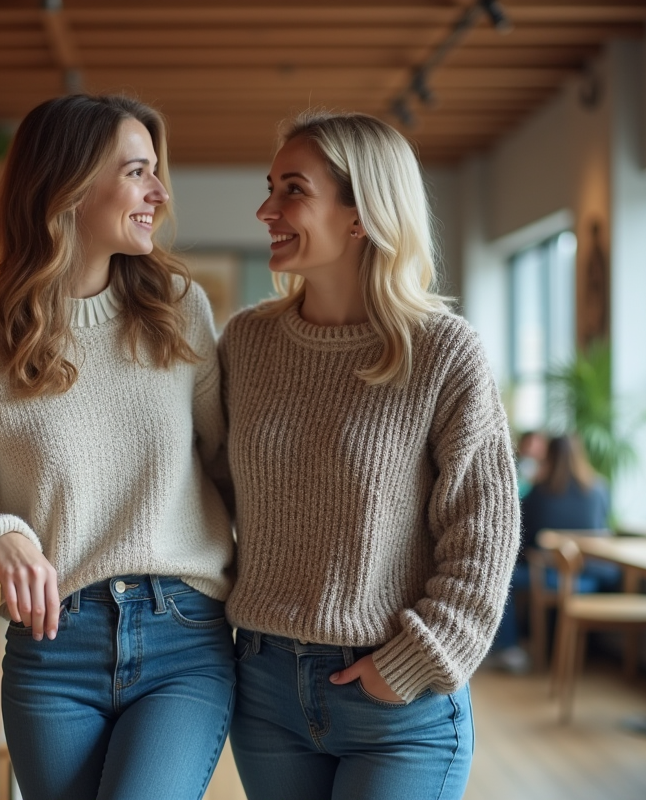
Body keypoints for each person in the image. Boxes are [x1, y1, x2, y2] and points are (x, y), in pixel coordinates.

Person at [0, 94, 235, 800]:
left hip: (183, 637)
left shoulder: (180, 310)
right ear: (69, 188)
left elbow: (233, 469)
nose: (160, 195)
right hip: (53, 645)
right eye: (138, 173)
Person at [219, 111, 520, 800]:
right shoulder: (245, 344)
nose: (266, 209)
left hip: (397, 702)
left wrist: (417, 659)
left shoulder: (444, 352)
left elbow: (484, 531)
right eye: (271, 187)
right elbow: (203, 496)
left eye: (292, 190)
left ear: (361, 215)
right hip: (264, 689)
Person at [491, 434, 619, 672]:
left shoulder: (540, 493)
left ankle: (510, 649)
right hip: (591, 578)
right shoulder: (600, 489)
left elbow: (523, 541)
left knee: (501, 580)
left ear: (549, 456)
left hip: (549, 577)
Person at [515, 429, 548, 498]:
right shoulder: (512, 466)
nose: (530, 449)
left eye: (536, 447)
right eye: (528, 444)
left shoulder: (544, 477)